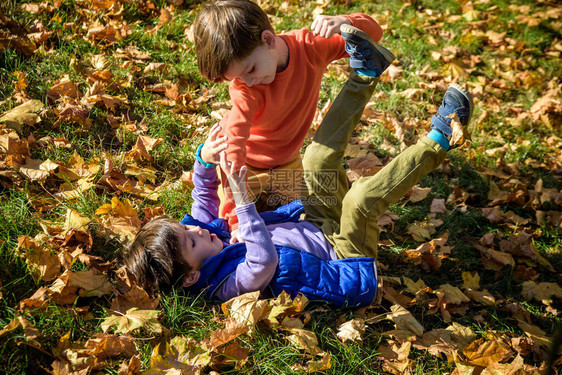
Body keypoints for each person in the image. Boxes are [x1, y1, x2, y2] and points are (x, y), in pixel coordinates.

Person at [122, 29, 474, 307]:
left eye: (189, 231)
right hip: (345, 253)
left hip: (315, 220)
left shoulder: (205, 239)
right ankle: (440, 139)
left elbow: (202, 201)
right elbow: (263, 262)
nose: (198, 232)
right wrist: (244, 205)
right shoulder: (225, 284)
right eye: (191, 242)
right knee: (360, 200)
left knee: (316, 159)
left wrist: (203, 159)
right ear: (190, 278)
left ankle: (365, 73)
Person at [193, 0, 385, 230]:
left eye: (251, 69)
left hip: (287, 164)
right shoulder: (245, 89)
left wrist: (346, 22)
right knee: (225, 223)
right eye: (238, 77)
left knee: (317, 215)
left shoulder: (310, 48)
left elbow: (375, 33)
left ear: (268, 40)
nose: (249, 81)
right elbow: (235, 150)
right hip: (246, 166)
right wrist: (238, 223)